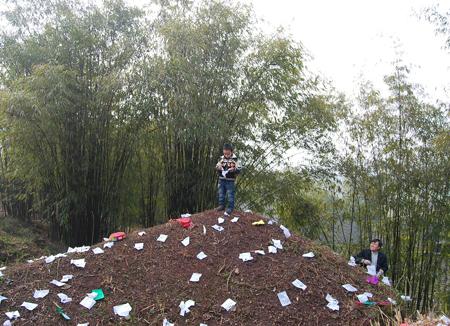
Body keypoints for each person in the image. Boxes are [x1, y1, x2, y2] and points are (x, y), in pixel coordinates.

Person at [215, 143, 242, 215]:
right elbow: (217, 166)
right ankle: (221, 205)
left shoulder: (235, 160)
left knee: (230, 194)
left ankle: (230, 207)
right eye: (225, 154)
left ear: (231, 152)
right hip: (221, 179)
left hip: (230, 180)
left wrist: (234, 169)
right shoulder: (221, 158)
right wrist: (219, 168)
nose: (226, 155)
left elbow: (239, 169)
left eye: (228, 154)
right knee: (221, 193)